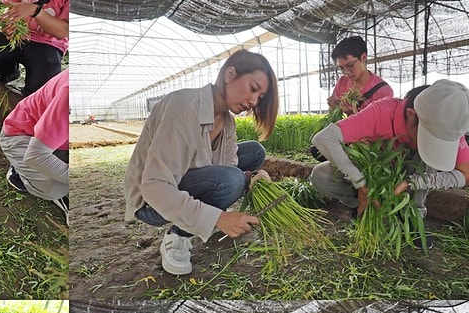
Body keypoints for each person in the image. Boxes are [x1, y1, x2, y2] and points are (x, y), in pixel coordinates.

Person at [123, 50, 279, 276]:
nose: (253, 101)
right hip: (151, 201)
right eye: (253, 88)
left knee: (254, 152)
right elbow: (153, 186)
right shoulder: (184, 107)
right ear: (230, 74)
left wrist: (251, 178)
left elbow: (229, 164)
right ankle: (178, 235)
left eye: (260, 98)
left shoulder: (227, 121)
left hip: (187, 178)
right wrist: (217, 218)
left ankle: (204, 215)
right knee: (231, 180)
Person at [310, 79, 469, 245]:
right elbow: (324, 139)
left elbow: (465, 175)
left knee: (427, 158)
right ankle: (361, 207)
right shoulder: (381, 112)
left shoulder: (449, 123)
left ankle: (413, 216)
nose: (431, 141)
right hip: (375, 173)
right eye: (427, 136)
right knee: (322, 175)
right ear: (411, 114)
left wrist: (413, 182)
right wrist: (360, 183)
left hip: (410, 175)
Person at [0, 69, 68, 224]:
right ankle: (18, 173)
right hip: (23, 134)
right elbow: (36, 155)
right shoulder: (69, 94)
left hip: (54, 142)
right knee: (57, 187)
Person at [0, 0, 69, 96]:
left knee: (40, 91)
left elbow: (64, 31)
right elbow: (11, 7)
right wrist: (9, 24)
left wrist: (35, 11)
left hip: (48, 44)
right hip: (18, 36)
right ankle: (10, 72)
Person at [327, 37, 392, 117]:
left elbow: (380, 126)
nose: (346, 72)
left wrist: (352, 114)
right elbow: (333, 117)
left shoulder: (383, 91)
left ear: (363, 57)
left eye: (350, 66)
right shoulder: (343, 81)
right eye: (342, 68)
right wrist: (334, 107)